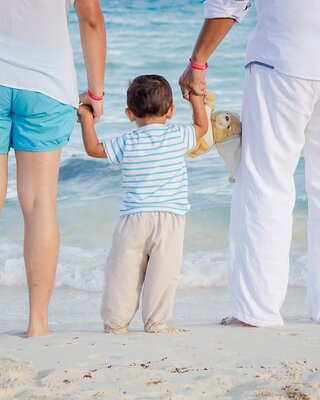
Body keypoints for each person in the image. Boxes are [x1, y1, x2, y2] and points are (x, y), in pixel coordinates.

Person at [179, 0, 320, 327]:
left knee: (265, 183)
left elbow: (228, 4)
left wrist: (198, 62)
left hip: (282, 58)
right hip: (285, 59)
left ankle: (257, 312)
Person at [0, 0, 106, 337]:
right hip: (48, 85)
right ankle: (37, 324)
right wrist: (96, 93)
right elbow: (90, 18)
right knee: (40, 203)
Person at [78, 74, 208, 333]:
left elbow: (93, 149)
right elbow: (202, 127)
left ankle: (116, 323)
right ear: (170, 111)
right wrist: (196, 98)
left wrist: (85, 117)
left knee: (122, 272)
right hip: (170, 218)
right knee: (163, 273)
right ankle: (156, 322)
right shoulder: (178, 136)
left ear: (129, 114)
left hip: (133, 219)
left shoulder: (126, 141)